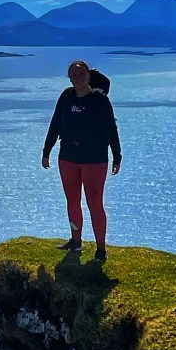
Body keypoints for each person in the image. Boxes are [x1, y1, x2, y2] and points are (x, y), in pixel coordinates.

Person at [42, 59, 122, 260]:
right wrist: (46, 150)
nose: (78, 78)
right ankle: (76, 242)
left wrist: (116, 155)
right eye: (74, 75)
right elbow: (55, 124)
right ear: (69, 78)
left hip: (95, 159)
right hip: (68, 157)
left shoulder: (100, 99)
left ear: (89, 76)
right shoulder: (66, 96)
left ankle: (101, 249)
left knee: (95, 203)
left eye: (81, 74)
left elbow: (111, 128)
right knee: (72, 201)